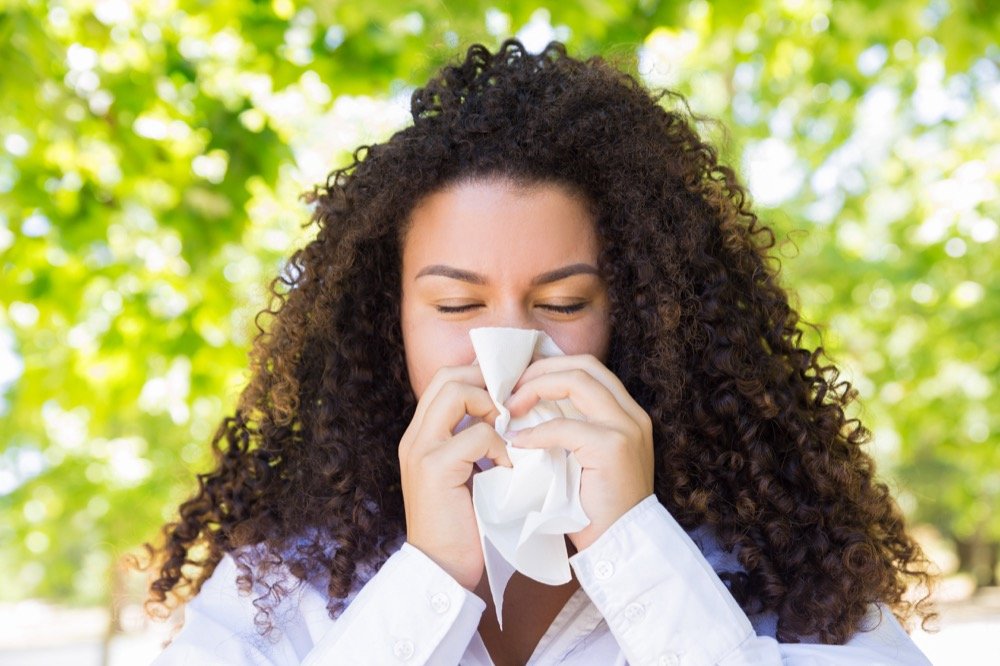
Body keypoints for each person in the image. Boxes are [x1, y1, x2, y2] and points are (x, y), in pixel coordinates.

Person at [147, 40, 934, 665]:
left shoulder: (775, 561)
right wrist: (428, 579)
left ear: (639, 315)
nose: (511, 351)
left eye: (563, 303)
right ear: (391, 326)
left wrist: (634, 548)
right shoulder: (287, 584)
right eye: (457, 304)